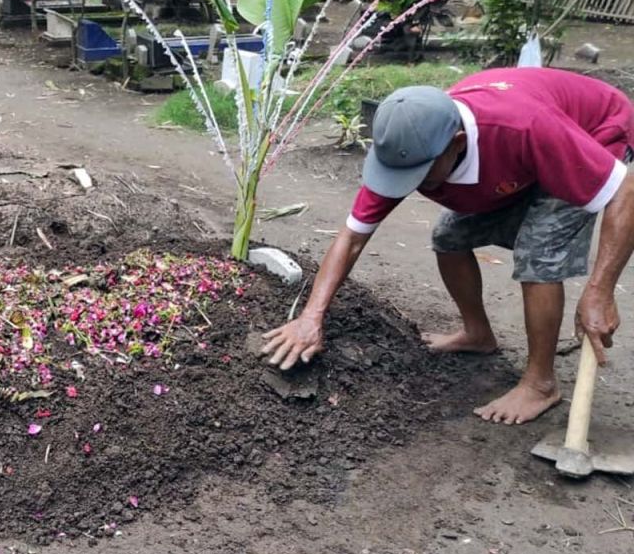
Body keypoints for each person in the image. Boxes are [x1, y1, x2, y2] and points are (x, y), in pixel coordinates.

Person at [261, 67, 634, 425]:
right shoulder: (410, 141)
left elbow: (625, 193)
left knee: (538, 252)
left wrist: (600, 290)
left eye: (416, 174)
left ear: (455, 145)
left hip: (595, 131)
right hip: (519, 158)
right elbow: (352, 238)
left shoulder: (525, 128)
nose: (403, 184)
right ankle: (478, 334)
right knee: (449, 238)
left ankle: (540, 384)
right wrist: (311, 318)